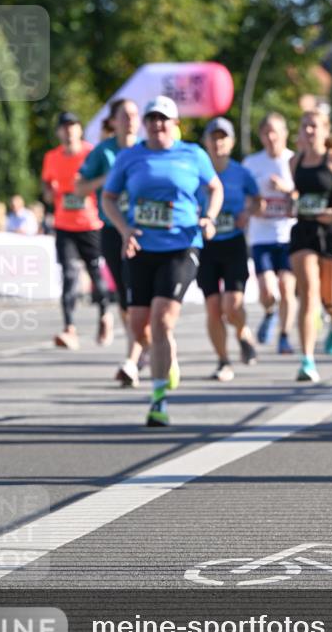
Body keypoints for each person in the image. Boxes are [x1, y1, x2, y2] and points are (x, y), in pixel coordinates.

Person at [102, 96, 223, 426]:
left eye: (163, 119)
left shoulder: (193, 154)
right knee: (139, 327)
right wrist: (124, 229)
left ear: (175, 124)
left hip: (181, 246)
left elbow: (215, 188)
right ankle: (166, 355)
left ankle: (158, 401)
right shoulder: (130, 156)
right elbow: (108, 197)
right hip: (141, 248)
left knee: (162, 319)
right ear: (145, 123)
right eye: (152, 118)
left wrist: (209, 217)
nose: (157, 124)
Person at [75, 98, 148, 385]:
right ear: (113, 121)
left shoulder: (148, 148)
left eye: (134, 114)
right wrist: (107, 178)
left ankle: (134, 356)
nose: (130, 120)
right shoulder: (103, 152)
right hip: (112, 230)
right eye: (124, 115)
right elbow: (79, 188)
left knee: (140, 293)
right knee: (127, 297)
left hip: (146, 231)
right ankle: (140, 347)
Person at [41, 111, 113, 349]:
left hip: (90, 224)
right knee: (69, 275)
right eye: (64, 127)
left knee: (95, 274)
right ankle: (69, 328)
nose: (69, 130)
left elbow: (107, 180)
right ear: (58, 132)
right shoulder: (51, 157)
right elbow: (46, 182)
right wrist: (48, 192)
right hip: (64, 225)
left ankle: (104, 314)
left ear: (80, 130)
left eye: (73, 126)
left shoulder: (92, 153)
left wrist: (93, 188)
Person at [198, 117, 260, 381]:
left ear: (231, 142)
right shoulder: (197, 170)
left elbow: (257, 200)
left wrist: (248, 212)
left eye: (223, 137)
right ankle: (223, 361)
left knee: (232, 305)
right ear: (205, 142)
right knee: (213, 307)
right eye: (213, 137)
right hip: (205, 245)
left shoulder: (240, 172)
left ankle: (242, 331)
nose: (218, 143)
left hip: (233, 242)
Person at [289, 109, 332, 383]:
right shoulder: (294, 161)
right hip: (304, 231)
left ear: (326, 131)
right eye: (305, 126)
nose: (309, 131)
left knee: (330, 299)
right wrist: (290, 201)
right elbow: (296, 194)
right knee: (309, 294)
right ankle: (307, 360)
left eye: (314, 126)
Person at [243, 113, 297, 354]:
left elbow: (305, 193)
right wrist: (255, 207)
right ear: (261, 136)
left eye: (275, 132)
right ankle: (269, 311)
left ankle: (284, 336)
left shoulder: (294, 160)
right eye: (266, 133)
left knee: (286, 287)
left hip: (289, 235)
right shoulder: (251, 163)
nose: (271, 137)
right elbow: (245, 197)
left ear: (285, 134)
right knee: (267, 290)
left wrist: (287, 190)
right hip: (261, 236)